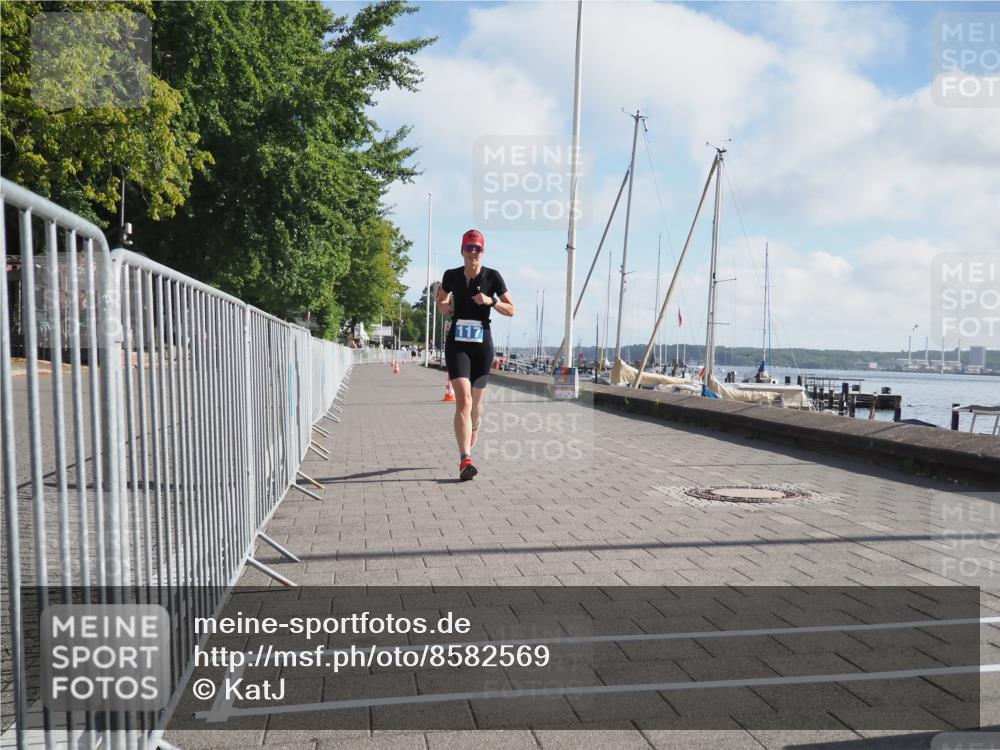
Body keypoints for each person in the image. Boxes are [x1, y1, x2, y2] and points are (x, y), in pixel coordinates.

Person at [436, 229, 515, 480]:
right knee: (464, 400)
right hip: (457, 344)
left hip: (482, 346)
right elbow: (441, 299)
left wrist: (491, 301)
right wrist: (444, 307)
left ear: (483, 252)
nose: (473, 253)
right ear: (462, 250)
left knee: (476, 406)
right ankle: (465, 460)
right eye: (469, 248)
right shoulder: (451, 275)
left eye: (478, 248)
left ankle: (475, 425)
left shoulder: (493, 277)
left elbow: (512, 309)